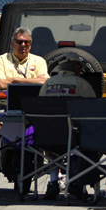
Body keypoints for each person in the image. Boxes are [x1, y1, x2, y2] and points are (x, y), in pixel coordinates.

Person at [0, 27, 49, 171]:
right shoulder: (2, 60)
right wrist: (32, 80)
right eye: (19, 41)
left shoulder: (39, 61)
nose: (23, 45)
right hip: (4, 107)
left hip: (33, 109)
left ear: (30, 44)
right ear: (12, 44)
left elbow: (45, 83)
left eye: (27, 42)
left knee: (50, 129)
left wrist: (12, 80)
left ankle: (56, 174)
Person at [39, 55, 96, 200]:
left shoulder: (48, 84)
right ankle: (79, 183)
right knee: (89, 137)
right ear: (74, 67)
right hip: (75, 138)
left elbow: (41, 109)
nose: (81, 69)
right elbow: (94, 109)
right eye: (79, 66)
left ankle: (53, 181)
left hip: (49, 138)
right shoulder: (81, 83)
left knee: (51, 134)